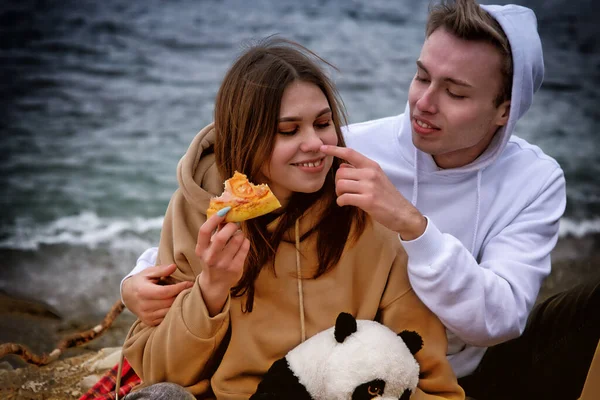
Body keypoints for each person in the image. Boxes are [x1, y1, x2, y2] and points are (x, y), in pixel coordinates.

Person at [122, 1, 600, 399]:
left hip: (442, 365)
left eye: (454, 92)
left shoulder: (529, 180)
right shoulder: (334, 152)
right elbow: (210, 216)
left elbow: (501, 318)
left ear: (504, 110)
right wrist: (147, 281)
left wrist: (414, 228)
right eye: (421, 77)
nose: (424, 103)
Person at [120, 37, 464, 399]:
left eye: (322, 123)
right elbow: (160, 373)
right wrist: (212, 288)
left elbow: (428, 377)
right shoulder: (199, 212)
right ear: (245, 136)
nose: (314, 143)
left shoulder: (366, 215)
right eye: (288, 130)